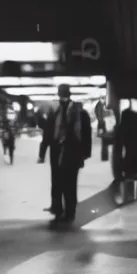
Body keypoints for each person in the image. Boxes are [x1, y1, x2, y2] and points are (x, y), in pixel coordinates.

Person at [39, 84, 92, 223]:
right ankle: (63, 209)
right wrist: (86, 153)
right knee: (64, 180)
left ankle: (65, 210)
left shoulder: (71, 111)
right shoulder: (70, 110)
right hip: (62, 150)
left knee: (64, 180)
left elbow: (48, 133)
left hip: (68, 150)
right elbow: (49, 132)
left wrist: (42, 152)